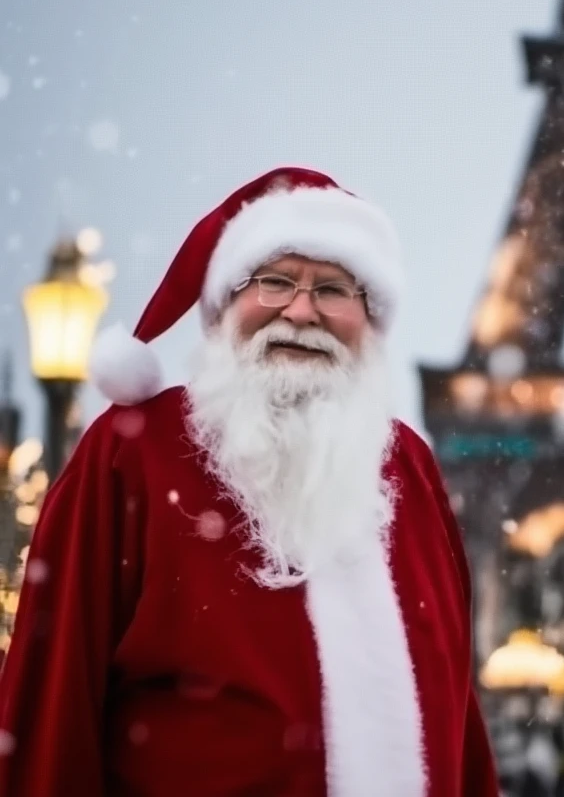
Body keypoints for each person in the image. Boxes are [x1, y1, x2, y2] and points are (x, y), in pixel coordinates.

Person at [0, 167, 500, 797]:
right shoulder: (134, 452)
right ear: (225, 302)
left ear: (371, 319)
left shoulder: (409, 468)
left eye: (334, 289)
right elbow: (55, 692)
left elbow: (454, 706)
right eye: (274, 281)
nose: (300, 310)